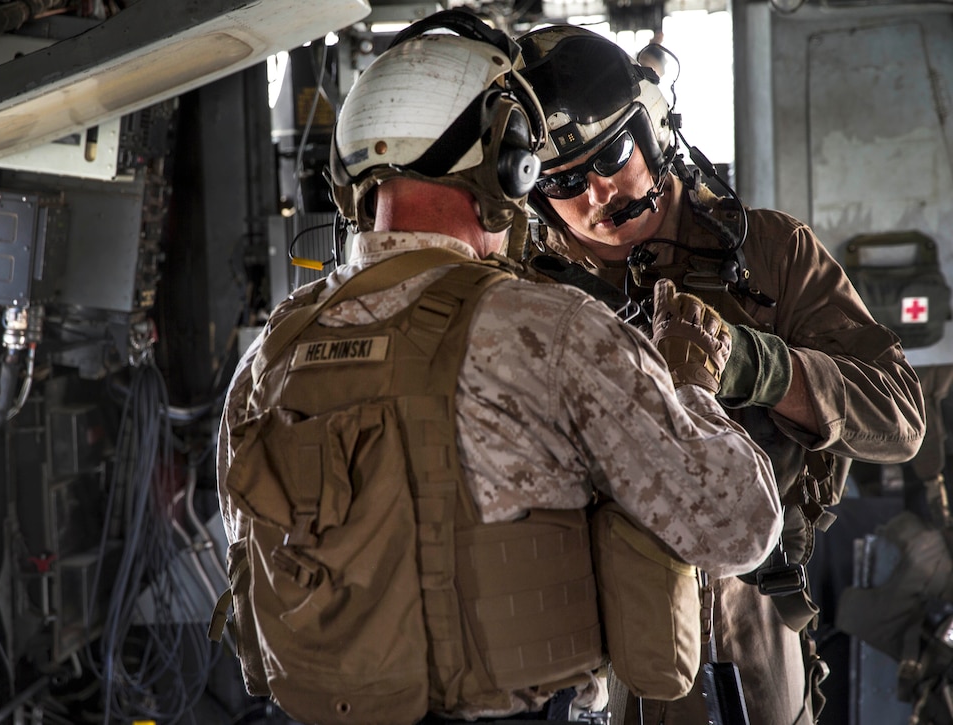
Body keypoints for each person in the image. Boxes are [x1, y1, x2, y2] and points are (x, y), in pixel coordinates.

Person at [215, 11, 782, 724]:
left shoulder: (272, 352)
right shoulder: (549, 329)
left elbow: (247, 567)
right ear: (509, 161)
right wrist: (689, 381)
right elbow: (737, 524)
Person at [515, 24, 927, 725]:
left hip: (751, 616)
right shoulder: (525, 295)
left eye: (612, 154)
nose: (596, 192)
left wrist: (758, 365)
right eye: (562, 180)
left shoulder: (769, 253)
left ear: (651, 132)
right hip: (597, 640)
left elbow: (899, 419)